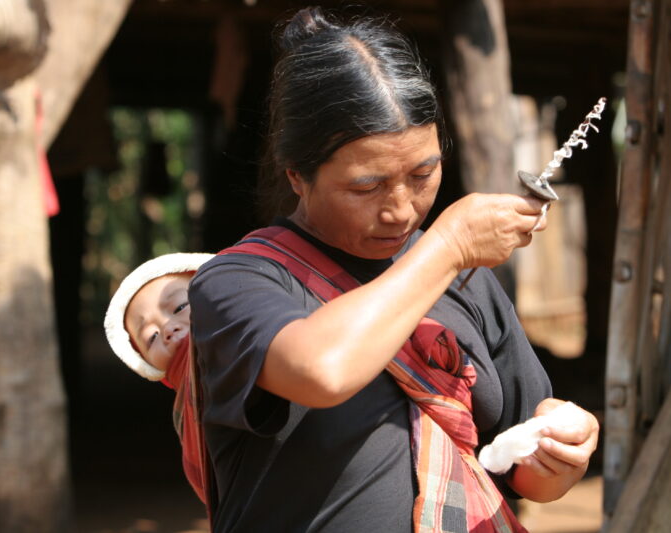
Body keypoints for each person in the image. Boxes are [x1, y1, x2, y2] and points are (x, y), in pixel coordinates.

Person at [189, 7, 599, 533]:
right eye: (367, 186)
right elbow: (322, 370)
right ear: (297, 174)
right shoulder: (239, 282)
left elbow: (529, 477)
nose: (401, 210)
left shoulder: (465, 280)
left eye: (424, 173)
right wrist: (449, 246)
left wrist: (566, 449)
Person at [103, 252, 215, 513]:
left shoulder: (249, 346)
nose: (167, 328)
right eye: (151, 337)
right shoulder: (185, 413)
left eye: (178, 308)